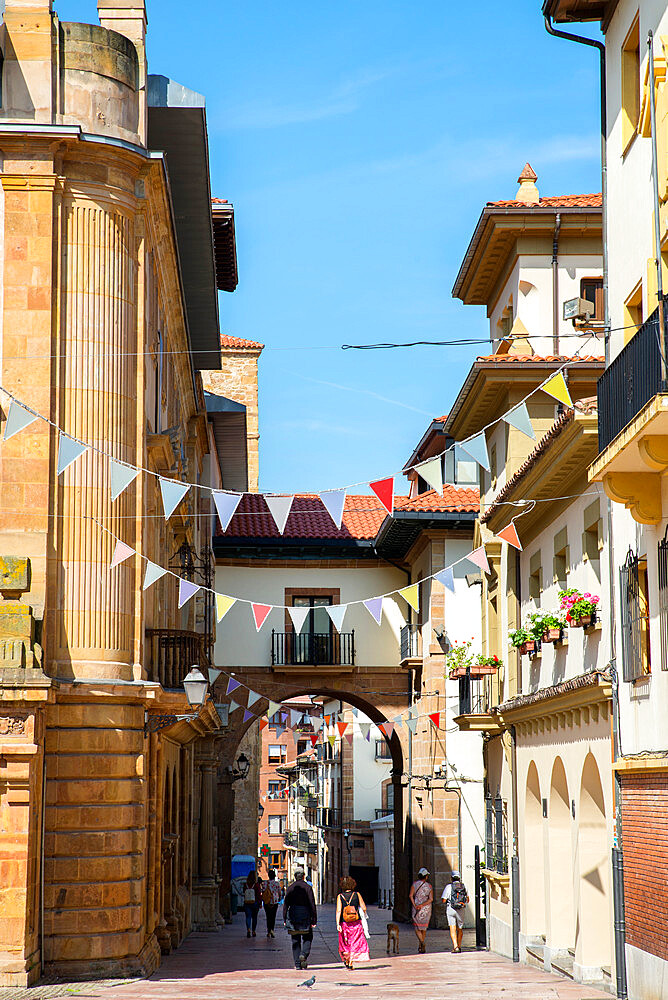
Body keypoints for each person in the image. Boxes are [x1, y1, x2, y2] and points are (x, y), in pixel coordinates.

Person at [283, 868, 317, 970]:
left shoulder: (290, 888)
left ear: (294, 876)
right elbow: (312, 904)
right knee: (308, 937)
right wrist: (314, 918)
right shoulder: (307, 888)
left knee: (295, 940)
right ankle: (304, 954)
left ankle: (297, 964)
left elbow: (286, 904)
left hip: (293, 915)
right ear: (303, 876)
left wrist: (284, 918)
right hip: (305, 915)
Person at [336, 875, 370, 970]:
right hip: (356, 923)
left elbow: (338, 911)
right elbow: (364, 908)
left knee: (345, 942)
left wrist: (337, 924)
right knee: (355, 942)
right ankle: (351, 961)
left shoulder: (340, 896)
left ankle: (347, 960)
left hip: (344, 923)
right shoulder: (357, 895)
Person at [441, 870, 469, 953]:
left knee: (452, 928)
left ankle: (455, 946)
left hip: (451, 909)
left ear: (451, 878)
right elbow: (467, 899)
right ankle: (459, 946)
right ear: (459, 878)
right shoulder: (464, 886)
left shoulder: (448, 887)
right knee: (460, 928)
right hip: (461, 909)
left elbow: (443, 900)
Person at [409, 866, 433, 953]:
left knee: (417, 927)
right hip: (426, 908)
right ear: (426, 876)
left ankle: (422, 943)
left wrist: (415, 905)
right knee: (423, 928)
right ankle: (421, 945)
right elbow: (431, 899)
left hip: (417, 908)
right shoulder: (429, 886)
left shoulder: (414, 884)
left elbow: (411, 895)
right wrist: (423, 905)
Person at [263, 868, 281, 938]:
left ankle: (268, 931)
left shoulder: (265, 883)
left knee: (268, 916)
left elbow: (263, 891)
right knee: (273, 916)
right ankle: (272, 930)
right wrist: (279, 898)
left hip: (267, 902)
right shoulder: (277, 883)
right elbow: (279, 892)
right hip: (274, 902)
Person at [243, 870, 262, 938]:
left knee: (248, 917)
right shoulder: (256, 885)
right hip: (255, 903)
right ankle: (253, 931)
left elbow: (243, 892)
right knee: (254, 917)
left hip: (247, 902)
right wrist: (260, 903)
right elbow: (259, 895)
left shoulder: (246, 884)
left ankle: (248, 929)